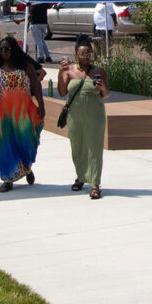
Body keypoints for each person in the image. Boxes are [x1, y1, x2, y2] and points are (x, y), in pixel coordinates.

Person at [0, 35, 45, 193]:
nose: (4, 52)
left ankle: (27, 168)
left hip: (22, 112)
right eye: (1, 49)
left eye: (7, 49)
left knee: (24, 142)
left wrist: (41, 105)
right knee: (3, 144)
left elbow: (36, 85)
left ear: (14, 50)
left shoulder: (25, 66)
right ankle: (8, 178)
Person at [57, 34, 109, 200]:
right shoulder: (69, 71)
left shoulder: (98, 71)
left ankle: (95, 184)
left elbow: (106, 95)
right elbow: (62, 92)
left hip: (95, 116)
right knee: (77, 148)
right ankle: (80, 177)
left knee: (94, 149)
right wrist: (60, 73)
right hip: (75, 116)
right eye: (82, 54)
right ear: (76, 55)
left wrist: (101, 88)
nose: (86, 57)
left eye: (88, 54)